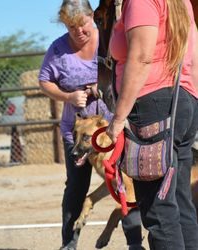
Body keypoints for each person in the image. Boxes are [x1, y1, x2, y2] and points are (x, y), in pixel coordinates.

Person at [39, 1, 145, 249]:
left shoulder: (108, 38)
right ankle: (69, 243)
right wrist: (67, 97)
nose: (78, 31)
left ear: (92, 16)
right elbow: (44, 81)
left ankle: (133, 242)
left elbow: (129, 66)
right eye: (71, 26)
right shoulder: (58, 49)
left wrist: (104, 86)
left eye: (83, 24)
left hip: (112, 131)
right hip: (76, 132)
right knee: (76, 186)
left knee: (125, 182)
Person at [106, 0, 198, 249]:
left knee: (159, 211)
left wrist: (117, 119)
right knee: (180, 203)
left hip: (151, 107)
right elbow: (194, 56)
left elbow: (142, 57)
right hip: (182, 102)